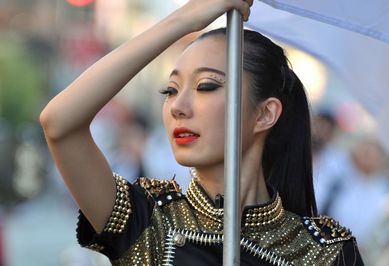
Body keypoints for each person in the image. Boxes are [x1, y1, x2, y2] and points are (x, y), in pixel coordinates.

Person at [40, 1, 364, 265]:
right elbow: (60, 124)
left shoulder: (327, 252)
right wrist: (183, 19)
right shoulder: (150, 222)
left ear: (266, 113)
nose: (178, 107)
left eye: (205, 86)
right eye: (169, 90)